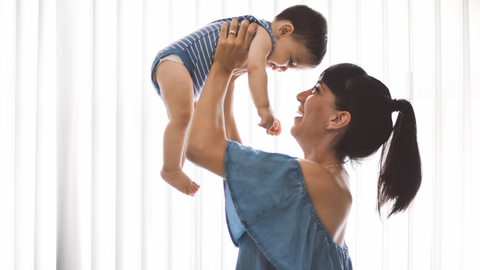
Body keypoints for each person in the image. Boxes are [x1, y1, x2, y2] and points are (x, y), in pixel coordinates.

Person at [186, 19, 422, 269]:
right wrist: (230, 77)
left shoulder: (309, 179)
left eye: (317, 90)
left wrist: (221, 67)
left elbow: (198, 148)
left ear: (338, 118)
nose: (301, 96)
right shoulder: (331, 180)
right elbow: (233, 159)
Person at [151, 5, 328, 196]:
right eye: (291, 60)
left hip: (184, 70)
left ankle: (174, 167)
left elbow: (226, 108)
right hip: (176, 60)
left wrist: (240, 154)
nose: (285, 68)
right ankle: (171, 169)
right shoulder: (263, 34)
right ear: (284, 31)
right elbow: (255, 70)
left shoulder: (247, 47)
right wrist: (264, 109)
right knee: (183, 118)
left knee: (186, 120)